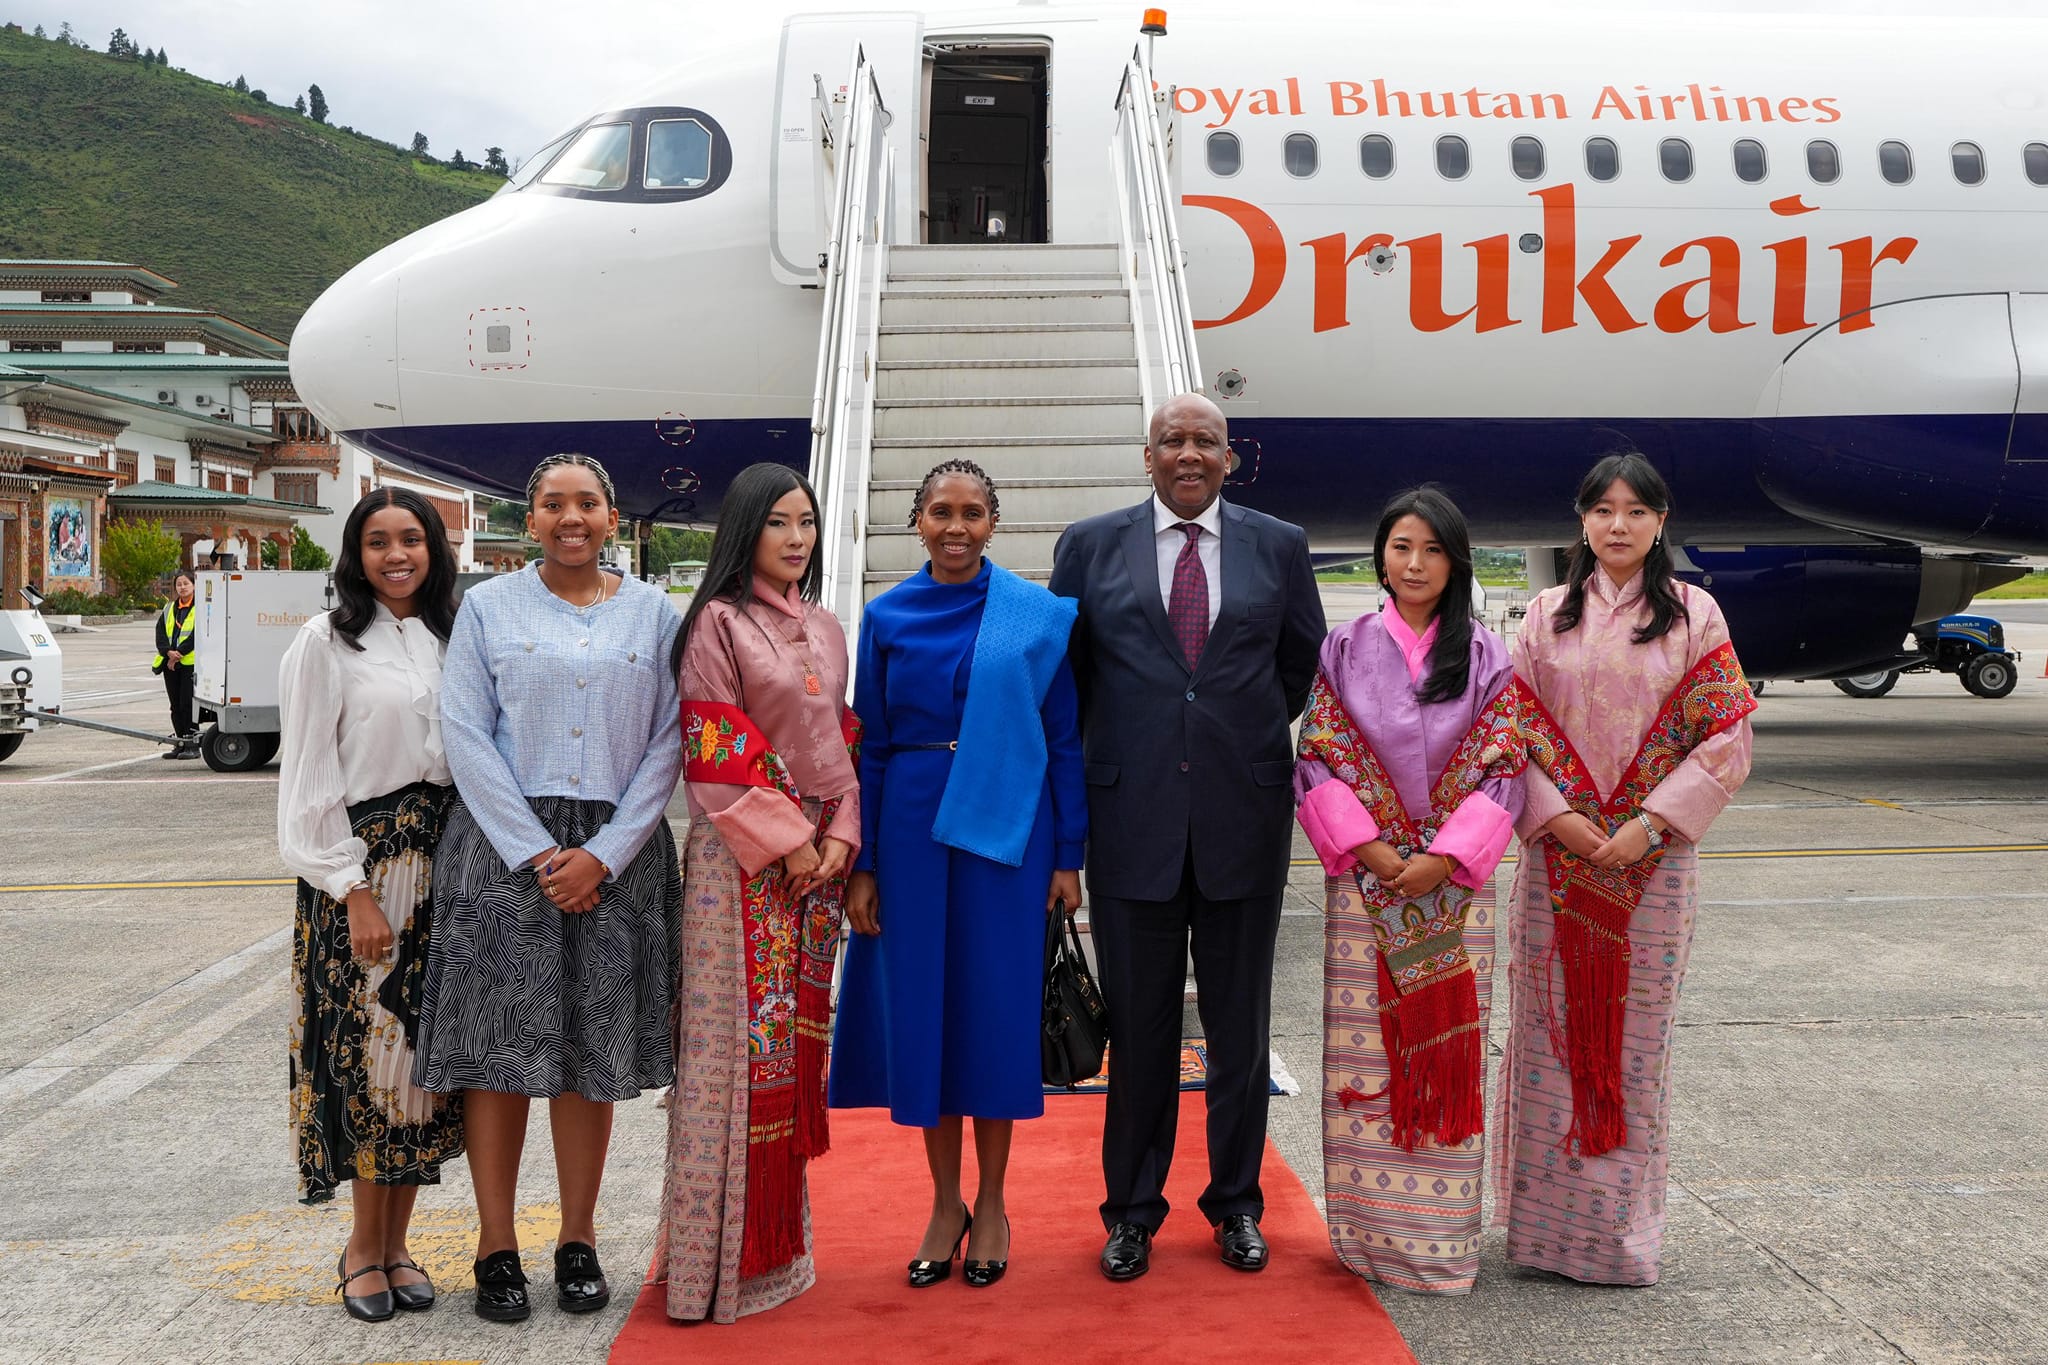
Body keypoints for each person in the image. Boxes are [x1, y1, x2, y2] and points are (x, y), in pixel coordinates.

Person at [1048, 393, 1326, 1281]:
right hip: (1133, 826)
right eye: (1174, 439)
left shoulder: (1278, 544)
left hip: (1243, 821)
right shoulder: (1090, 546)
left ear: (1230, 456)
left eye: (1207, 439)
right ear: (1148, 455)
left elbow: (1300, 664)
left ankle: (1237, 1206)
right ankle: (1131, 1212)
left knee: (1241, 1034)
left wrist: (1223, 741)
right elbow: (1074, 677)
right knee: (1139, 1035)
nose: (1190, 452)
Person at [415, 453, 684, 1323]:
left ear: (613, 516)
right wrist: (538, 853)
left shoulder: (654, 612)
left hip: (620, 855)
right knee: (499, 1057)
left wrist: (604, 852)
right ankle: (497, 1244)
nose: (572, 517)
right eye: (552, 504)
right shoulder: (488, 608)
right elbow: (466, 735)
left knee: (585, 1055)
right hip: (503, 852)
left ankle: (578, 1236)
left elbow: (668, 744)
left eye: (589, 503)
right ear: (527, 519)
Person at [1492, 452, 1755, 1286]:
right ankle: (1541, 1237)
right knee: (1550, 1036)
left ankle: (1614, 1240)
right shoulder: (1541, 617)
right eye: (1602, 509)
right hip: (1556, 865)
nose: (1617, 525)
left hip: (1653, 867)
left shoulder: (1696, 616)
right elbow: (1507, 732)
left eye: (1635, 511)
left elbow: (1726, 740)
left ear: (1659, 522)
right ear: (1580, 520)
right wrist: (1560, 819)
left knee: (1633, 1046)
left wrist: (1647, 825)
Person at [829, 460, 1086, 1290]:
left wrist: (1068, 855)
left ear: (992, 523)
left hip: (1008, 833)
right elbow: (868, 741)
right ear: (917, 520)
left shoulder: (1033, 615)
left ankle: (997, 1200)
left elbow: (1066, 740)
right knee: (926, 1017)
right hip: (908, 830)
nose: (956, 526)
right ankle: (946, 1201)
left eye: (972, 513)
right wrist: (861, 864)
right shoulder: (887, 613)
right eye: (940, 511)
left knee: (993, 1014)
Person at [1292, 486, 1525, 1295]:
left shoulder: (1489, 655)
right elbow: (1317, 754)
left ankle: (1438, 1241)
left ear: (1455, 559)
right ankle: (1370, 1238)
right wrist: (1375, 849)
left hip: (1457, 891)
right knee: (1371, 1053)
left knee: (1448, 1047)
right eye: (1401, 547)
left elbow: (1505, 765)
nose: (1415, 563)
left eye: (1431, 549)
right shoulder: (1344, 647)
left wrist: (1447, 856)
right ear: (1379, 555)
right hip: (1367, 881)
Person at [651, 463, 860, 1322]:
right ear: (746, 529)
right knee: (728, 1058)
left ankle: (780, 1245)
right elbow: (714, 747)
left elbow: (844, 739)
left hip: (815, 870)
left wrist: (842, 833)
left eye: (807, 521)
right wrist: (794, 840)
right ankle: (715, 1266)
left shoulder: (826, 624)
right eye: (780, 522)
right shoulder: (718, 623)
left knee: (787, 1057)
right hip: (742, 867)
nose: (798, 537)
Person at [276, 487, 467, 1322]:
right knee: (367, 1059)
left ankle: (397, 1244)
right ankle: (361, 1248)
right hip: (363, 873)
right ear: (356, 553)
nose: (398, 555)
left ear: (435, 547)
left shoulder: (456, 633)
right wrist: (348, 885)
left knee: (421, 1070)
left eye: (413, 539)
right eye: (380, 541)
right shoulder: (325, 642)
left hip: (446, 868)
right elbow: (308, 780)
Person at [153, 567, 200, 759]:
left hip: (189, 664)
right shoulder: (169, 608)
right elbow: (160, 634)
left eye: (186, 584)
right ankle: (180, 743)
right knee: (175, 706)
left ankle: (192, 745)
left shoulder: (201, 607)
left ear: (194, 586)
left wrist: (179, 652)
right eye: (179, 584)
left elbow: (198, 635)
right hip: (170, 664)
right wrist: (168, 653)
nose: (182, 587)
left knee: (188, 704)